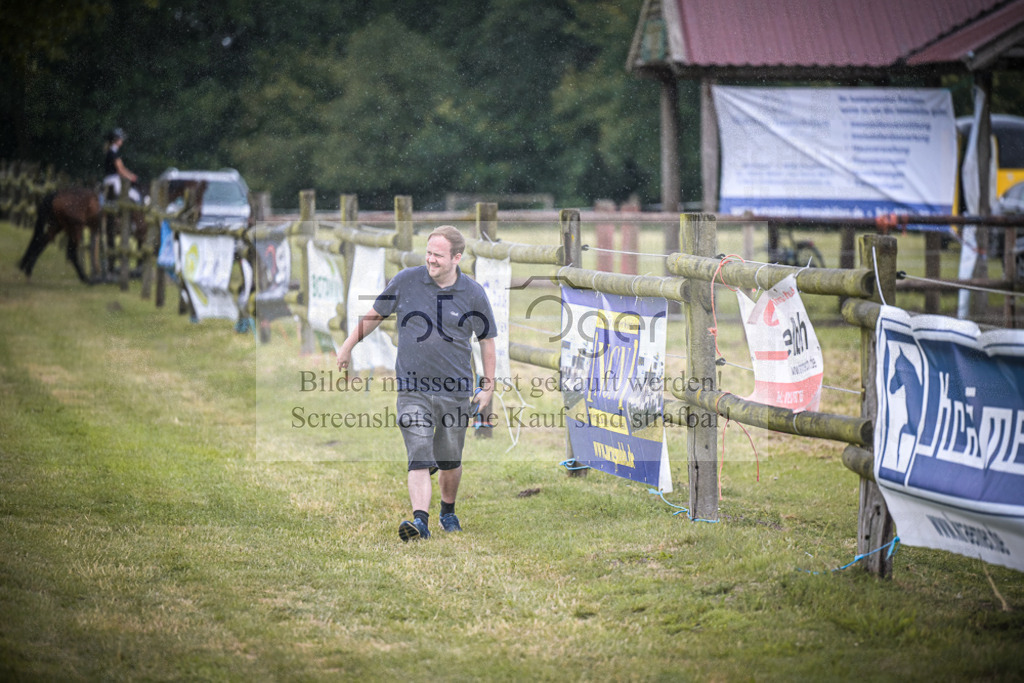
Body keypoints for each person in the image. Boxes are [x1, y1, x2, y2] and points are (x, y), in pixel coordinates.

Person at [337, 225, 496, 541]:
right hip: (413, 387)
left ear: (456, 258)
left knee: (449, 459)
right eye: (428, 253)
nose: (431, 260)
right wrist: (347, 345)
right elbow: (374, 315)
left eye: (438, 255)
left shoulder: (473, 293)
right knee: (419, 450)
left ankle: (447, 511)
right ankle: (419, 522)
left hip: (455, 389)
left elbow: (487, 340)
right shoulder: (406, 281)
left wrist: (488, 386)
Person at [102, 128, 140, 203]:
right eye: (120, 138)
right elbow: (120, 170)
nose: (122, 140)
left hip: (109, 180)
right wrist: (131, 177)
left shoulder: (112, 151)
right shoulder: (113, 152)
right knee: (136, 197)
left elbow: (122, 168)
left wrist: (130, 175)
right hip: (113, 181)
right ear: (116, 140)